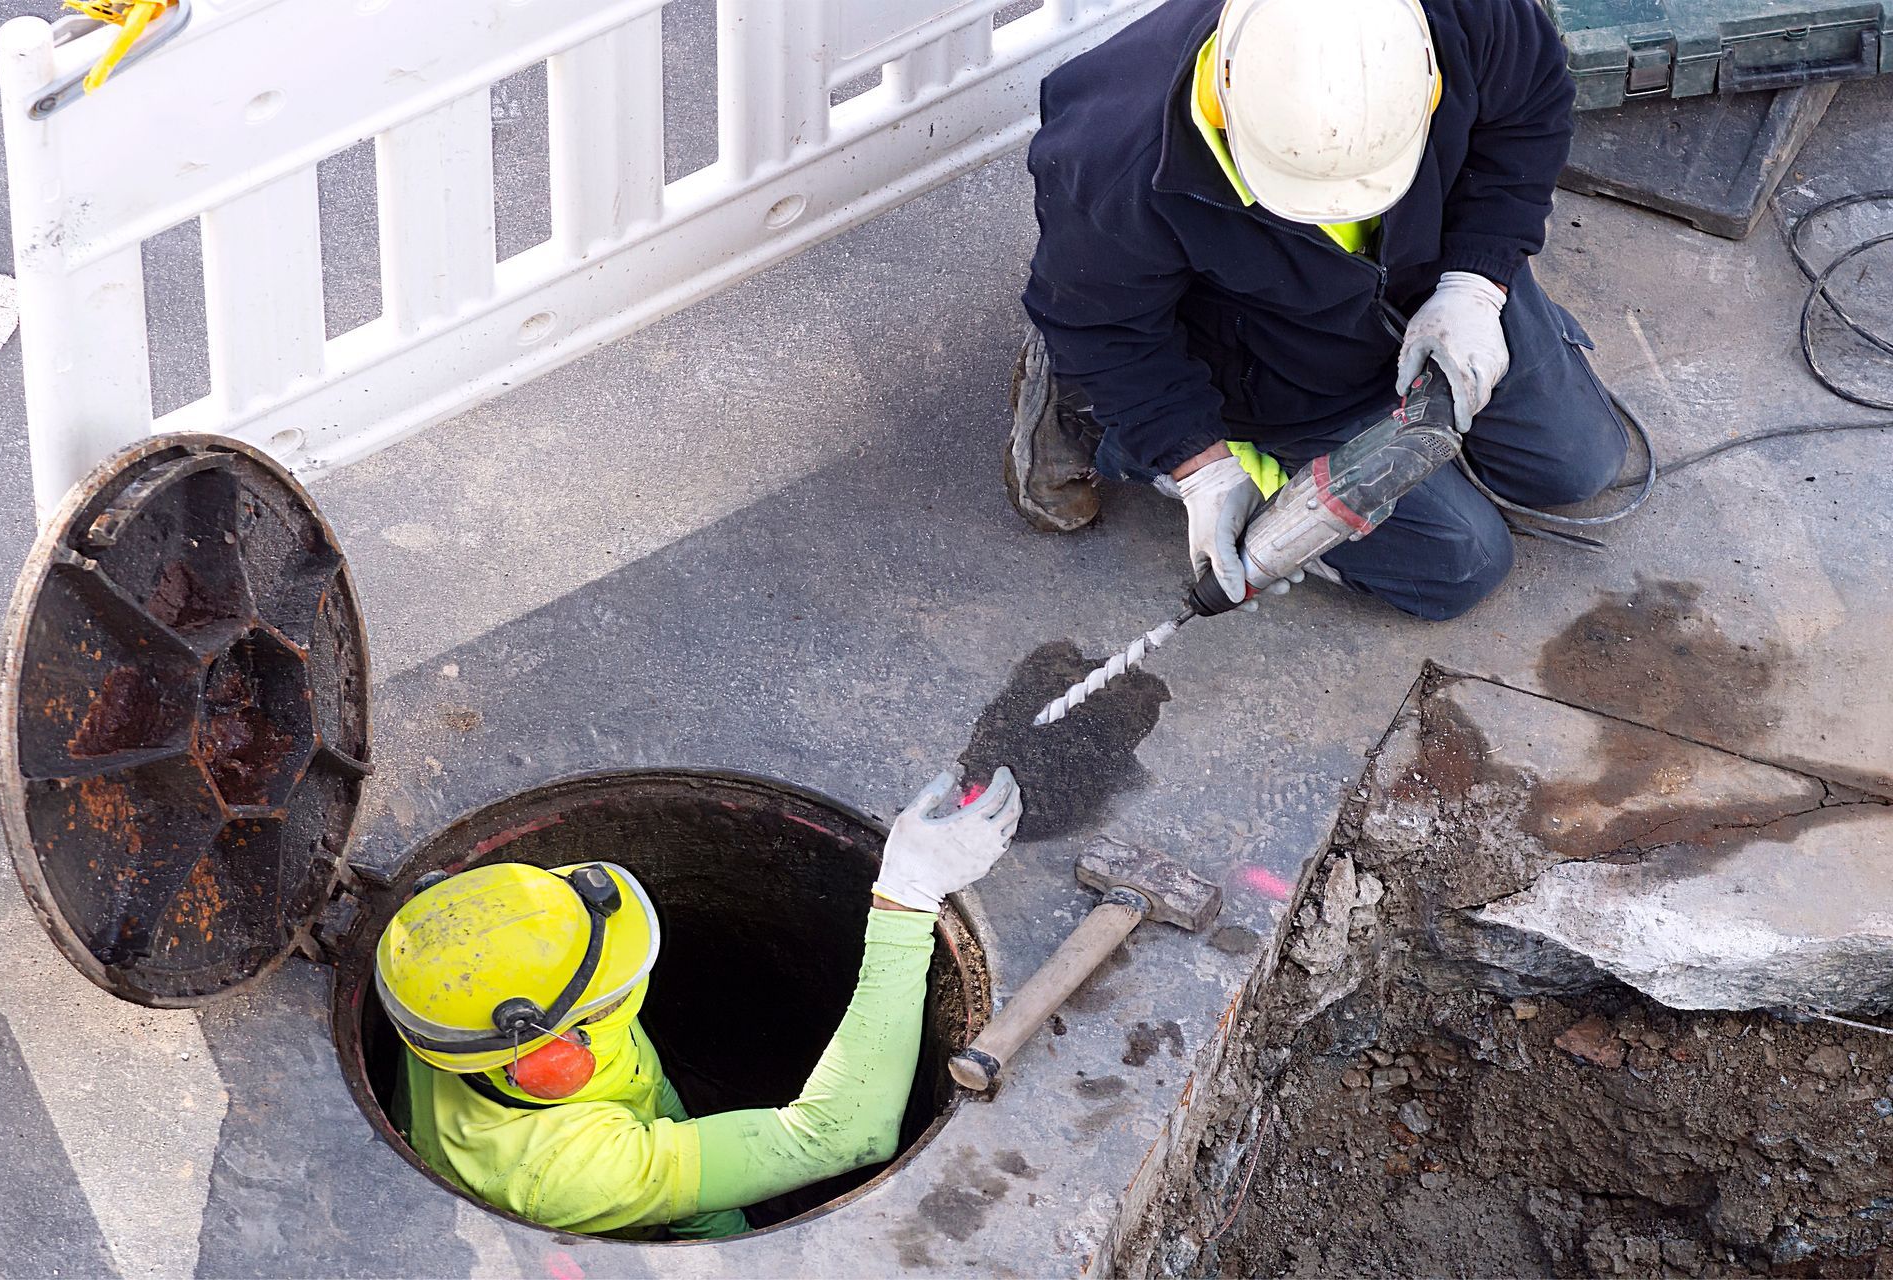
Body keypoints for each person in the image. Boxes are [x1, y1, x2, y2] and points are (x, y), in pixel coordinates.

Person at [1007, 0, 1627, 621]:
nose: (1338, 211)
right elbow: (1100, 323)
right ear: (1224, 101)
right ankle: (1091, 415)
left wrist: (1476, 282)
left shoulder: (1468, 13)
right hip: (1271, 364)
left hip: (1435, 276)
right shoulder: (1116, 159)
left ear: (1430, 85)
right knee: (1460, 563)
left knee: (1579, 466)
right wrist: (1197, 464)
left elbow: (1528, 112)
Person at [374, 767, 1020, 1239]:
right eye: (604, 1005)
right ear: (546, 1058)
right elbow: (844, 1134)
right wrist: (906, 897)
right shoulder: (560, 1169)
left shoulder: (447, 991)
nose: (624, 999)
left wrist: (723, 1225)